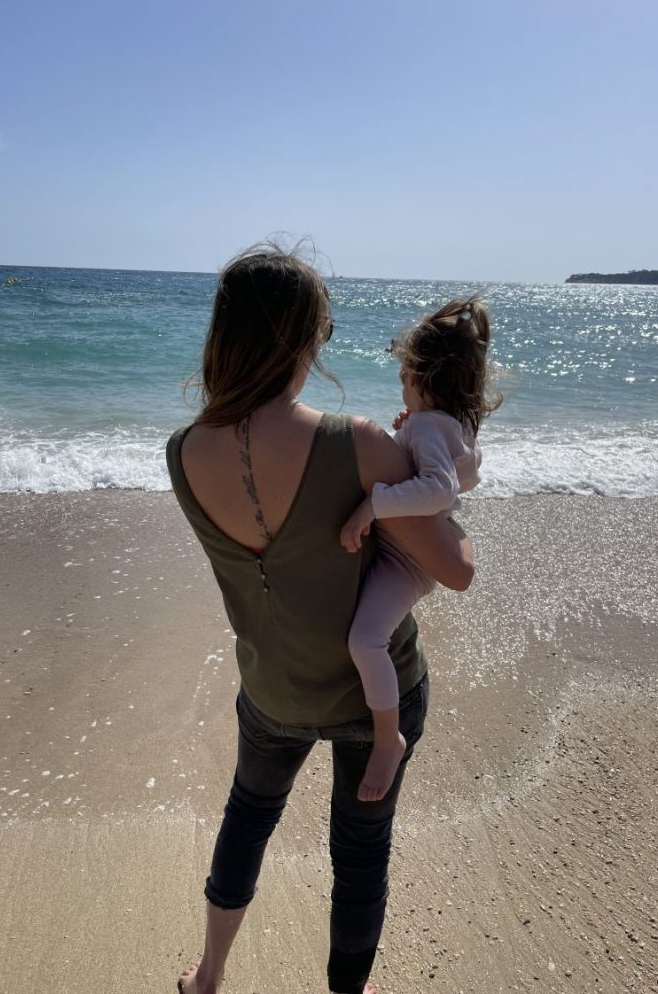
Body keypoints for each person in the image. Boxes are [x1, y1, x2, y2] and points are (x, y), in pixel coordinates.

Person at [166, 244, 474, 994]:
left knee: (248, 817)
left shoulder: (181, 453)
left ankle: (208, 977)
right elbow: (456, 569)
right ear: (303, 338)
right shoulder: (360, 443)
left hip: (272, 689)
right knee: (360, 855)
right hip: (377, 699)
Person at [340, 297, 501, 802]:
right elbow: (465, 471)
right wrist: (409, 429)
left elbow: (440, 490)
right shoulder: (450, 424)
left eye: (406, 374)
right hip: (408, 553)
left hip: (406, 563)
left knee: (365, 641)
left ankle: (388, 738)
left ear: (428, 379)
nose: (400, 382)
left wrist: (374, 505)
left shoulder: (432, 426)